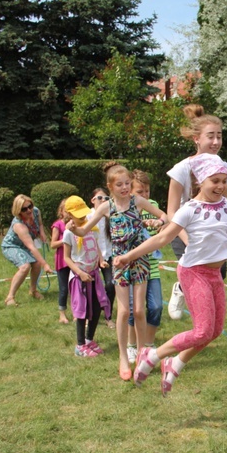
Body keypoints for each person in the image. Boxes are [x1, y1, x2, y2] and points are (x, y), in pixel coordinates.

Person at [115, 154, 227, 395]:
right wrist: (130, 255)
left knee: (215, 331)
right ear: (200, 181)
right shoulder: (190, 209)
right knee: (202, 331)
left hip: (214, 274)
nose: (220, 186)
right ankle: (152, 355)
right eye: (214, 181)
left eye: (223, 181)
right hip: (193, 272)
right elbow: (163, 237)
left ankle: (174, 363)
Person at [69, 163, 167, 381]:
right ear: (110, 186)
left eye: (127, 184)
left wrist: (157, 221)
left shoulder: (138, 201)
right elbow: (85, 230)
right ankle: (123, 357)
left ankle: (142, 355)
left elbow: (165, 216)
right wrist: (73, 229)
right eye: (120, 184)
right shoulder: (106, 208)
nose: (124, 188)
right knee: (124, 312)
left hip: (140, 259)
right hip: (120, 263)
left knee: (140, 311)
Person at [165, 104, 227, 320]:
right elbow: (171, 212)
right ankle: (184, 291)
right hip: (183, 230)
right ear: (197, 139)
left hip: (210, 231)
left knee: (219, 274)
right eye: (210, 136)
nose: (215, 142)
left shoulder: (223, 168)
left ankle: (203, 326)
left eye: (219, 136)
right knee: (196, 276)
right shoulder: (182, 168)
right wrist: (188, 239)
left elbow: (224, 204)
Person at [62, 195, 110, 357]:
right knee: (81, 311)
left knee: (97, 308)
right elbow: (67, 258)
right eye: (78, 213)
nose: (82, 216)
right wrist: (80, 273)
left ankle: (89, 340)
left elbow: (95, 247)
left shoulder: (91, 228)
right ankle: (80, 345)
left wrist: (101, 261)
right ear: (68, 214)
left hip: (93, 275)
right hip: (79, 277)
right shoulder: (68, 234)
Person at [126, 170, 163, 364]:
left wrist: (159, 224)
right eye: (141, 191)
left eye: (147, 191)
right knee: (134, 310)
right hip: (133, 268)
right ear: (130, 192)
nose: (146, 195)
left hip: (152, 266)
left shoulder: (154, 206)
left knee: (156, 306)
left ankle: (148, 344)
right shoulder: (126, 209)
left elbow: (165, 222)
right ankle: (132, 345)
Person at [1, 194, 53, 306]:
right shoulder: (19, 225)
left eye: (30, 206)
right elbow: (32, 247)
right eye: (24, 209)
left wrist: (42, 233)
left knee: (37, 263)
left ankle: (33, 291)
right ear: (18, 211)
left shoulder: (36, 211)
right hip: (12, 246)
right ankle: (10, 297)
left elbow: (40, 224)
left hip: (25, 245)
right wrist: (45, 265)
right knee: (25, 267)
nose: (29, 210)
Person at [89, 188, 115, 329]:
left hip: (108, 256)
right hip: (91, 257)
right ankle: (87, 315)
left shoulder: (110, 216)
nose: (103, 201)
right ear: (92, 200)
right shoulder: (88, 216)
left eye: (106, 199)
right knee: (90, 288)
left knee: (111, 285)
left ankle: (108, 316)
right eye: (100, 198)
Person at [50, 199, 70, 324]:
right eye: (66, 211)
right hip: (62, 261)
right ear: (61, 212)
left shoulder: (76, 224)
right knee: (64, 289)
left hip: (74, 260)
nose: (68, 213)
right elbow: (53, 244)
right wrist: (65, 239)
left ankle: (76, 312)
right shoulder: (58, 225)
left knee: (76, 288)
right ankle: (62, 314)